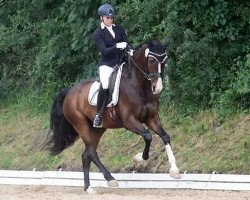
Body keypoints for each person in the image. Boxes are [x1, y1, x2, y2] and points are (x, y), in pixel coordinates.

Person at [92, 3, 128, 128]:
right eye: (107, 18)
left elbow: (127, 43)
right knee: (106, 84)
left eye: (112, 18)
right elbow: (104, 51)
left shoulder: (119, 29)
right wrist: (117, 46)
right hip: (106, 64)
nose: (110, 20)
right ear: (102, 18)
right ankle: (98, 114)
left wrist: (131, 50)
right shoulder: (98, 33)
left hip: (120, 62)